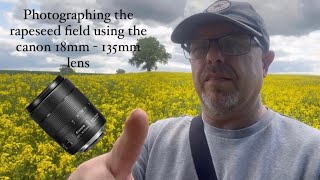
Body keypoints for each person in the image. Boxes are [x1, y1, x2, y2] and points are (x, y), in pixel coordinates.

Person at [68, 1, 320, 179]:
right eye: (199, 46)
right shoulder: (154, 140)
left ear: (265, 63)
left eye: (232, 43)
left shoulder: (311, 154)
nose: (212, 56)